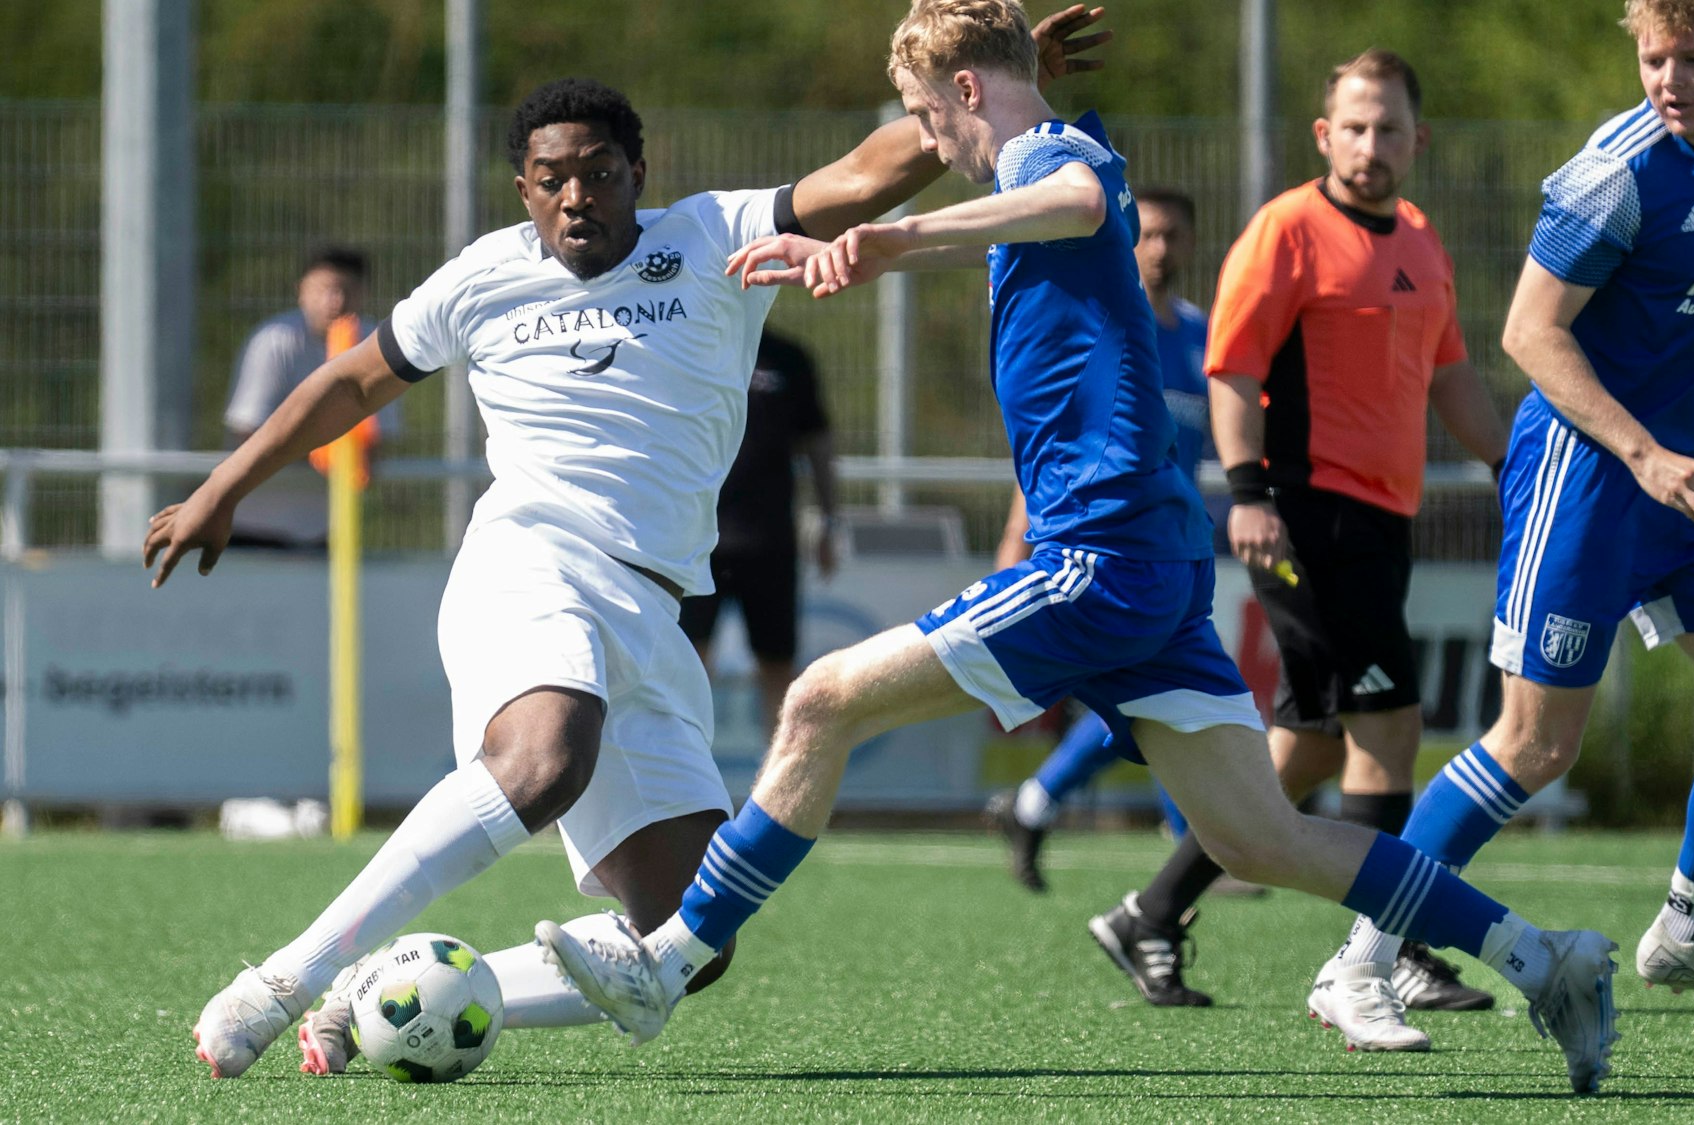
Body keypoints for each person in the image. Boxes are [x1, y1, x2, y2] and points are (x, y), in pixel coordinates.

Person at [544, 0, 1620, 1095]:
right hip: (1147, 565)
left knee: (821, 699)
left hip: (1095, 559)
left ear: (967, 91)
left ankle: (665, 962)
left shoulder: (1061, 155)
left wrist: (897, 236)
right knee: (1260, 841)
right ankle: (1547, 961)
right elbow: (1025, 223)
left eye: (928, 115)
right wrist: (866, 250)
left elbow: (1066, 199)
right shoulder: (1025, 182)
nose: (934, 144)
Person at [151, 7, 1114, 1075]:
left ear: (637, 172)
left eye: (600, 172)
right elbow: (345, 381)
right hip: (530, 561)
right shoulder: (480, 277)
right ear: (522, 188)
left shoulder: (708, 235)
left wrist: (991, 75)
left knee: (689, 941)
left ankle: (382, 998)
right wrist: (224, 486)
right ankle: (285, 977)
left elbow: (867, 170)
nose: (577, 196)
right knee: (542, 761)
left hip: (652, 603)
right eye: (551, 177)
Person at [1308, 0, 1694, 1051]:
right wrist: (1639, 454)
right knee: (1535, 743)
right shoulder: (1617, 171)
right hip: (1590, 477)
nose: (1667, 80)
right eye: (1651, 59)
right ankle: (1356, 961)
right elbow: (1527, 331)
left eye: (1691, 59)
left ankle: (1690, 932)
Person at [1083, 49, 1514, 1026]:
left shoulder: (1418, 238)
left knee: (1312, 747)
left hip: (1379, 519)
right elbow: (1230, 370)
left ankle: (1148, 912)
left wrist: (1507, 465)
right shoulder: (1285, 230)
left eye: (1388, 128)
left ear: (1417, 139)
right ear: (1323, 136)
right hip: (1299, 513)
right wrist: (1245, 493)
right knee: (1387, 727)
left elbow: (1450, 376)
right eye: (1352, 128)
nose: (1370, 144)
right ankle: (1380, 955)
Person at [985, 187, 1210, 893]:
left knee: (1156, 701)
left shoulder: (1204, 336)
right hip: (1099, 545)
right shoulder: (1105, 326)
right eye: (1151, 234)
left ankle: (1035, 803)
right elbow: (1052, 443)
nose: (1162, 248)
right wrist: (1014, 539)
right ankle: (1191, 847)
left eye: (1176, 235)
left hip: (1174, 551)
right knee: (1162, 698)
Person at [678, 328, 840, 734]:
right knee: (686, 667)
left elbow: (817, 441)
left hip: (769, 541)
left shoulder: (787, 356)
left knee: (778, 668)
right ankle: (684, 789)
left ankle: (781, 789)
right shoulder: (688, 342)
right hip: (695, 542)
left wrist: (829, 519)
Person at [223, 247, 394, 550]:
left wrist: (351, 454)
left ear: (364, 293)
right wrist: (327, 449)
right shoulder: (274, 341)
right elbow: (247, 430)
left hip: (327, 530)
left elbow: (378, 437)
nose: (336, 302)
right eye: (325, 290)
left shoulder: (376, 342)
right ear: (301, 291)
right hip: (257, 528)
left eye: (347, 290)